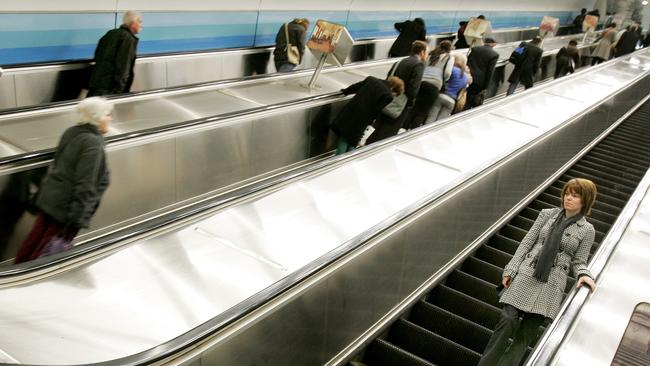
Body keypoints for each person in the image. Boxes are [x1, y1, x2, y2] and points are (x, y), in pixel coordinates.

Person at [477, 178, 598, 366]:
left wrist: (584, 274)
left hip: (551, 285)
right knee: (507, 320)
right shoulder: (547, 214)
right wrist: (511, 269)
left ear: (585, 200)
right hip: (526, 274)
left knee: (525, 337)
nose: (568, 198)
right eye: (567, 193)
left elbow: (579, 260)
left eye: (575, 196)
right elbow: (527, 243)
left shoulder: (587, 230)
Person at [14, 97, 112, 263]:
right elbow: (86, 183)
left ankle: (18, 272)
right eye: (108, 115)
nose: (110, 119)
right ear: (97, 117)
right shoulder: (92, 143)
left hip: (51, 200)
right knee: (47, 253)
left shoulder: (72, 132)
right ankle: (32, 283)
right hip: (66, 210)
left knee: (33, 241)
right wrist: (77, 218)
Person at [366, 40, 427, 144]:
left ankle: (366, 149)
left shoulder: (400, 61)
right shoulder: (418, 65)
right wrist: (410, 101)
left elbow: (388, 78)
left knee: (377, 130)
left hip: (387, 100)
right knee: (387, 134)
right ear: (422, 52)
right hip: (400, 105)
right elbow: (413, 89)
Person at [330, 77, 404, 154]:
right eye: (395, 94)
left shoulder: (371, 79)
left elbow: (355, 87)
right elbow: (376, 111)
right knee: (352, 141)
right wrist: (370, 124)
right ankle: (342, 160)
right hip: (362, 119)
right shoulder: (388, 96)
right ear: (393, 88)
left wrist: (344, 91)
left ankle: (343, 159)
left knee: (345, 137)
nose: (393, 96)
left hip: (351, 111)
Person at [87, 11, 142, 97]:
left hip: (95, 84)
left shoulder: (110, 33)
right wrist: (119, 92)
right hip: (110, 89)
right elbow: (123, 67)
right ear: (132, 24)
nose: (141, 24)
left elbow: (97, 55)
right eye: (139, 21)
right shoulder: (128, 39)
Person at [403, 40, 455, 130]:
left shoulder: (431, 54)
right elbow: (447, 73)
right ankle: (412, 131)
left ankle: (403, 128)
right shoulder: (449, 57)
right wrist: (443, 80)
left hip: (422, 82)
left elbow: (423, 66)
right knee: (423, 111)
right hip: (434, 85)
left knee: (415, 107)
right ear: (449, 49)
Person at [425, 54, 472, 123]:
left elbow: (445, 78)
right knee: (440, 122)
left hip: (442, 96)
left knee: (431, 118)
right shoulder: (465, 77)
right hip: (452, 101)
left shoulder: (452, 70)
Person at [465, 37, 498, 109]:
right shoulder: (494, 54)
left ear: (485, 42)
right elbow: (490, 72)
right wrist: (485, 86)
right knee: (475, 101)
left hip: (468, 77)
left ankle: (462, 111)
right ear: (493, 44)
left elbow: (467, 62)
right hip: (479, 82)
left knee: (466, 97)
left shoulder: (475, 49)